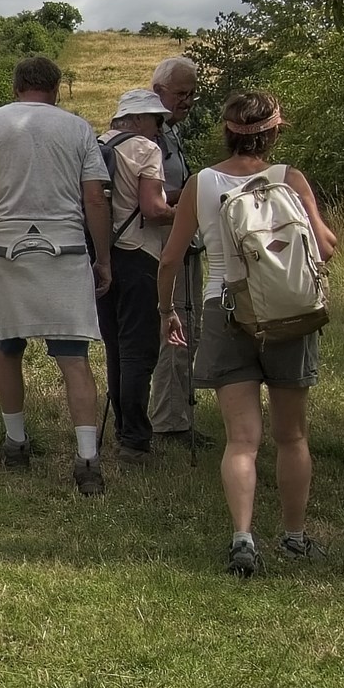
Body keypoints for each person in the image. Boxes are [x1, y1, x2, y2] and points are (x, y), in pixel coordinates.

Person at [158, 87, 335, 576]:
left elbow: (171, 256)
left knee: (241, 440)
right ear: (275, 131)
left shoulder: (201, 182)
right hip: (288, 314)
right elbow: (324, 248)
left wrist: (166, 309)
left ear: (227, 131)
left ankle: (242, 538)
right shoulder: (289, 179)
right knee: (292, 435)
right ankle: (295, 538)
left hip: (225, 308)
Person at [0, 53, 116, 495]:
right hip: (64, 249)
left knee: (8, 348)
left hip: (7, 250)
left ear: (15, 86)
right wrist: (102, 258)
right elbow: (96, 200)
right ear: (56, 88)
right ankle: (87, 459)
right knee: (74, 359)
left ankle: (16, 443)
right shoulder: (78, 128)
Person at [97, 86, 176, 459]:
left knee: (114, 348)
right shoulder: (146, 149)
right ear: (140, 118)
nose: (159, 128)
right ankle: (135, 438)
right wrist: (188, 211)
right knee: (138, 352)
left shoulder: (94, 145)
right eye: (157, 120)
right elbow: (153, 208)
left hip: (99, 257)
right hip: (138, 254)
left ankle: (121, 429)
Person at [145, 55, 204, 455]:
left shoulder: (171, 132)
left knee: (190, 329)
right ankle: (168, 423)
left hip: (182, 244)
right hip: (166, 245)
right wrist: (199, 192)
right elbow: (150, 198)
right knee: (177, 330)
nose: (188, 101)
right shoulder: (149, 136)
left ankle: (176, 414)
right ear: (158, 92)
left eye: (192, 94)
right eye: (181, 93)